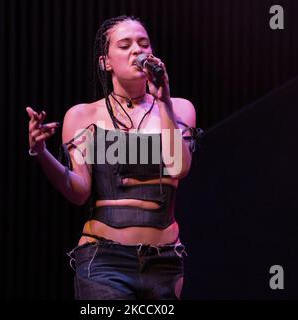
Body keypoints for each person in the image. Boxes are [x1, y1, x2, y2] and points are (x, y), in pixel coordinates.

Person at [26, 15, 203, 300]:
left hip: (165, 263)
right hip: (105, 260)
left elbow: (179, 167)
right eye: (125, 45)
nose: (137, 50)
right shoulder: (84, 115)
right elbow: (78, 191)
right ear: (105, 62)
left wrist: (165, 103)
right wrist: (41, 153)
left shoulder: (179, 108)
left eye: (143, 44)